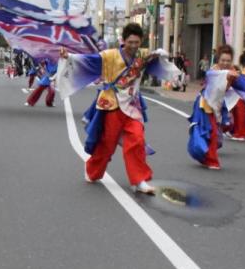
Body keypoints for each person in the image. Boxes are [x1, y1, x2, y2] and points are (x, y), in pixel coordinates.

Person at [57, 23, 177, 194]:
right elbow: (89, 60)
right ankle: (92, 171)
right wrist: (68, 56)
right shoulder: (109, 55)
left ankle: (139, 180)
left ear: (141, 41)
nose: (133, 45)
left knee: (136, 140)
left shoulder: (142, 55)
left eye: (137, 42)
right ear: (123, 40)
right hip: (111, 104)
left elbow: (157, 59)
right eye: (130, 42)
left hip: (132, 106)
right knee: (107, 144)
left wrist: (161, 55)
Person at [187, 44, 235, 170]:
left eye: (228, 60)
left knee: (216, 132)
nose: (225, 63)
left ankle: (206, 156)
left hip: (217, 105)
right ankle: (211, 160)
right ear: (218, 60)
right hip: (206, 105)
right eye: (223, 60)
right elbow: (219, 87)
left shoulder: (230, 71)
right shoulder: (214, 72)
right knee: (210, 131)